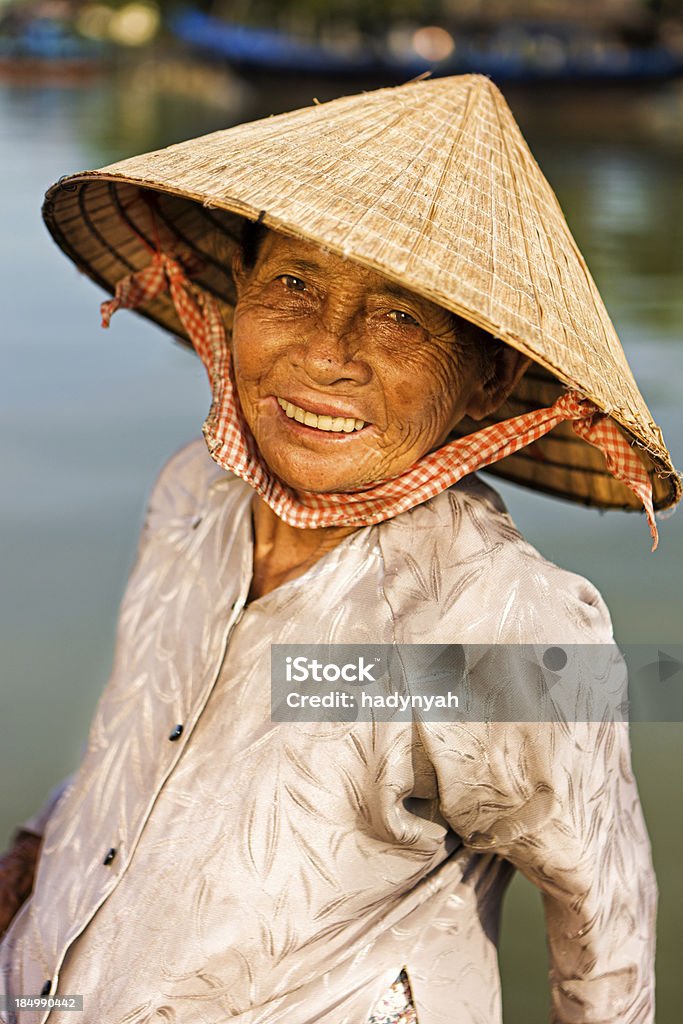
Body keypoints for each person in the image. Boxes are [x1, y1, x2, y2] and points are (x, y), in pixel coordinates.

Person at [0, 74, 679, 1024]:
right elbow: (147, 726)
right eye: (292, 284)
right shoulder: (193, 490)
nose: (327, 353)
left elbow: (604, 915)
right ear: (234, 297)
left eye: (401, 315)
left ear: (492, 379)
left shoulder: (505, 618)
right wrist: (42, 846)